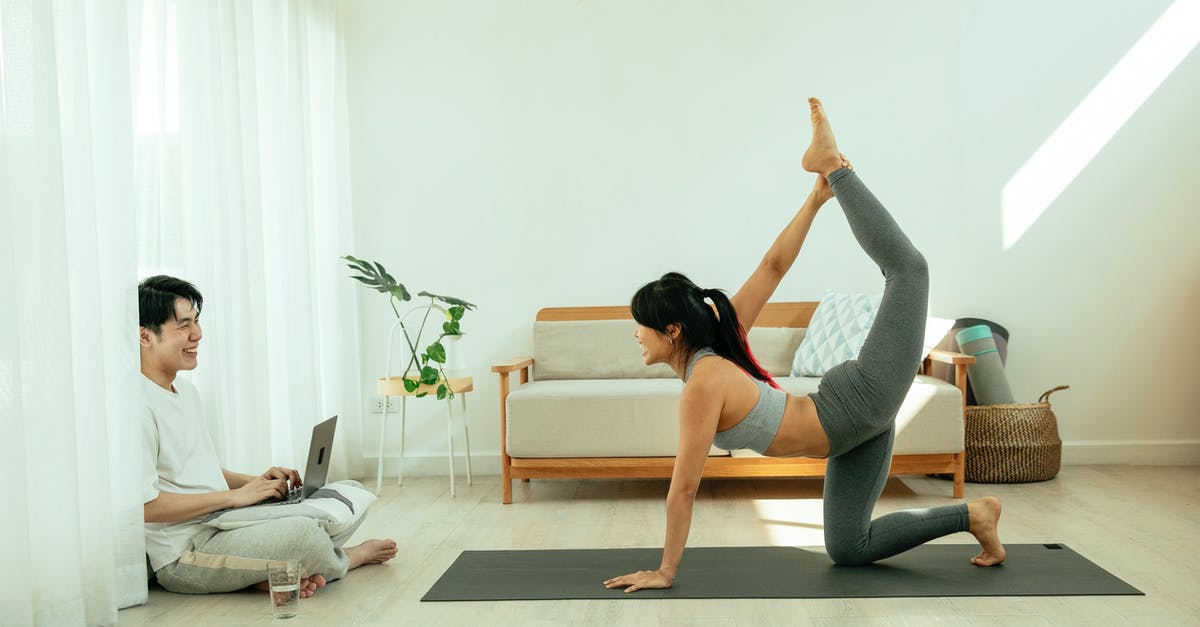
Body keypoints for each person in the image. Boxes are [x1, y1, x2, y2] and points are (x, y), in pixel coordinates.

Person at [604, 98, 1005, 593]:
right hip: (851, 433)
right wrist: (812, 203)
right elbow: (773, 267)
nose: (634, 335)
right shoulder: (718, 345)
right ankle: (975, 515)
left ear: (672, 331)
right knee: (849, 547)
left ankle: (834, 164)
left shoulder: (704, 382)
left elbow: (683, 489)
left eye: (639, 325)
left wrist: (665, 571)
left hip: (859, 402)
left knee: (908, 270)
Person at [139, 275, 398, 596]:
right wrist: (235, 497)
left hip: (224, 522)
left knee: (349, 494)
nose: (197, 334)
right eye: (183, 325)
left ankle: (267, 573)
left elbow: (194, 470)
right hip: (186, 553)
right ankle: (345, 559)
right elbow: (144, 506)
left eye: (197, 322)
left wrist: (255, 484)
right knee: (304, 534)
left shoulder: (186, 392)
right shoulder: (136, 405)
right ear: (145, 336)